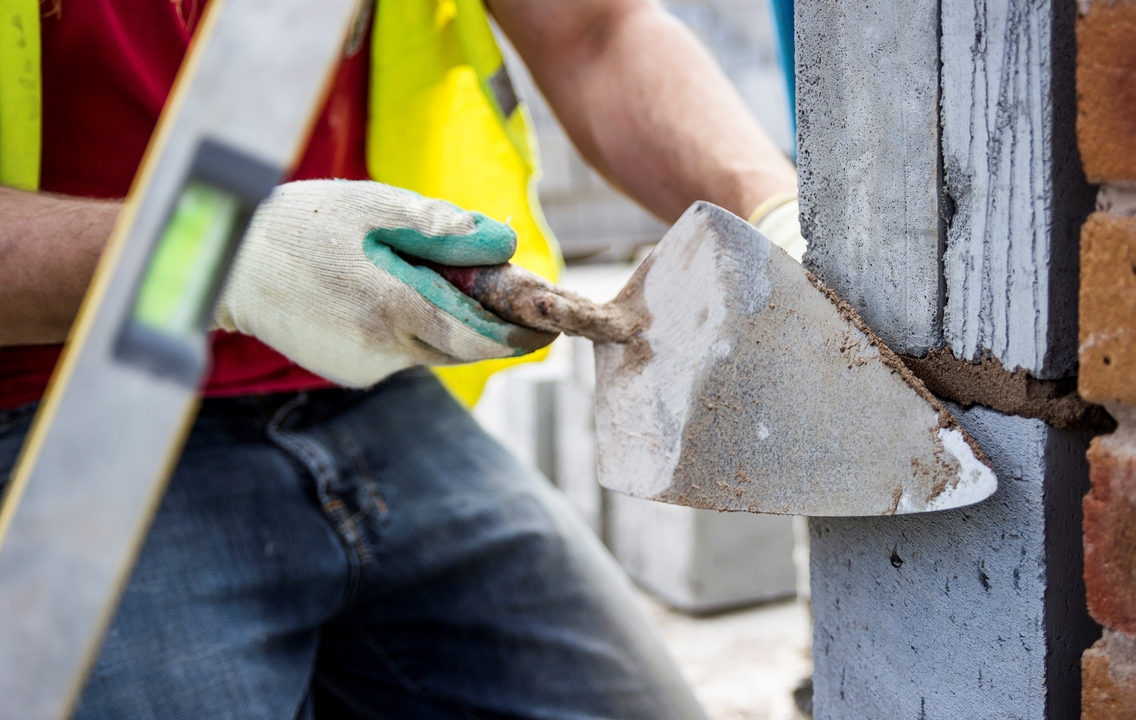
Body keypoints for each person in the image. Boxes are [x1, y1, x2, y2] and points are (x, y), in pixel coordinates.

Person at [0, 0, 803, 717]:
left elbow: (594, 33)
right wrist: (219, 257)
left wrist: (772, 218)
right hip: (57, 409)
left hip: (363, 385)